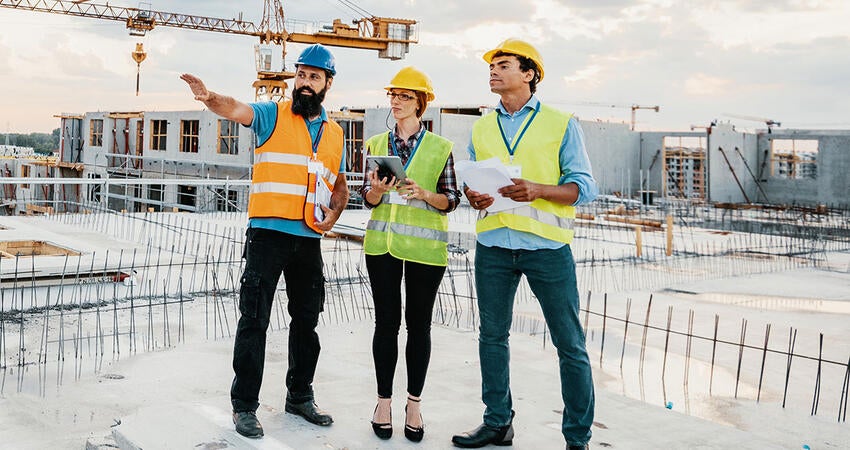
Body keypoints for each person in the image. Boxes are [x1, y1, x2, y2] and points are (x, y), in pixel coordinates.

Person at [180, 43, 349, 439]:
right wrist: (209, 97)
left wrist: (335, 213)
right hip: (268, 236)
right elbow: (236, 109)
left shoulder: (335, 133)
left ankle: (300, 396)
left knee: (307, 321)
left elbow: (338, 184)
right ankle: (244, 406)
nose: (305, 82)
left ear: (327, 84)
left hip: (308, 238)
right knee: (254, 319)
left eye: (314, 77)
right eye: (301, 75)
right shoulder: (272, 114)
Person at [450, 38, 598, 450]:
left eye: (503, 65)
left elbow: (585, 187)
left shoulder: (561, 122)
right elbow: (472, 180)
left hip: (547, 248)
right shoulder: (482, 126)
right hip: (494, 245)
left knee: (570, 344)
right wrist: (473, 195)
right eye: (491, 66)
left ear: (530, 73)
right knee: (492, 337)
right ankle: (497, 423)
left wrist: (539, 189)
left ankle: (577, 438)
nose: (493, 71)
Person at [360, 66, 460, 442]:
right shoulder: (375, 144)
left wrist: (424, 194)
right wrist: (376, 191)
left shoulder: (440, 147)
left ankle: (413, 405)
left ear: (421, 103)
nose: (397, 101)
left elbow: (451, 200)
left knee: (419, 327)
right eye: (394, 95)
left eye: (405, 96)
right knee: (386, 324)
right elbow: (367, 199)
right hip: (382, 247)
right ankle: (383, 403)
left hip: (425, 250)